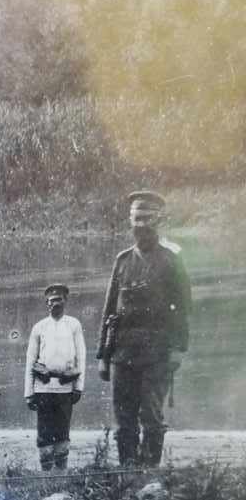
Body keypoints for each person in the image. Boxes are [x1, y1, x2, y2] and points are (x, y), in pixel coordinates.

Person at [97, 191, 191, 467]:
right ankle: (127, 471)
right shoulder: (122, 260)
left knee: (151, 416)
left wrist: (178, 349)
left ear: (158, 221)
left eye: (147, 219)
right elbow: (109, 309)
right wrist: (103, 355)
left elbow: (184, 308)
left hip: (157, 353)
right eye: (136, 219)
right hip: (122, 352)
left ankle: (149, 472)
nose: (141, 225)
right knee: (123, 417)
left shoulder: (172, 260)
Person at [24, 284, 86, 471]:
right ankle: (46, 473)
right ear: (46, 304)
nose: (54, 304)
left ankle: (61, 471)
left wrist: (78, 387)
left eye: (58, 300)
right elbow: (30, 360)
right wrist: (29, 392)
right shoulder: (39, 327)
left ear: (65, 301)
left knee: (62, 430)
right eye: (51, 301)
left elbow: (81, 357)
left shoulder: (74, 325)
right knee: (44, 430)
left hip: (65, 387)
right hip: (43, 387)